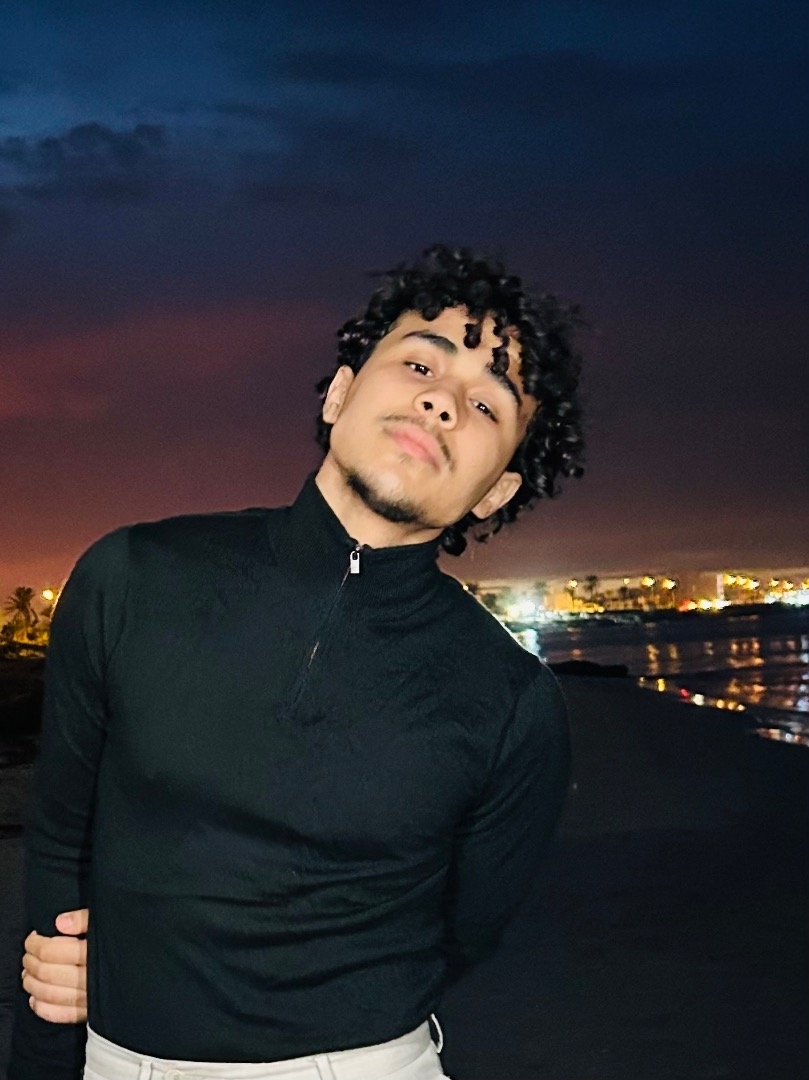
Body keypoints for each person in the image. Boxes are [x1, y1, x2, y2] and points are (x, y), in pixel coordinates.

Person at [9, 244, 585, 1080]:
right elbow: (62, 839)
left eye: (487, 406)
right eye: (420, 363)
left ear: (495, 491)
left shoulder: (510, 697)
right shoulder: (131, 576)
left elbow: (468, 929)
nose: (442, 401)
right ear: (341, 392)